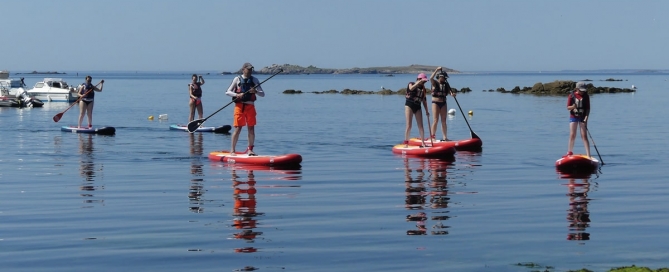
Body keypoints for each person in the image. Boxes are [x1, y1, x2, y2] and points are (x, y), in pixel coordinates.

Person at [225, 63, 265, 155]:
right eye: (248, 69)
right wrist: (237, 95)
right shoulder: (237, 79)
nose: (250, 71)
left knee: (251, 128)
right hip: (239, 107)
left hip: (250, 107)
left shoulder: (255, 80)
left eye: (251, 69)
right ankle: (232, 150)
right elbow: (227, 92)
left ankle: (250, 150)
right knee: (238, 128)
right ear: (243, 69)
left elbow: (262, 94)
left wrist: (255, 91)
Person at [429, 67, 456, 141]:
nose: (445, 79)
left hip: (443, 103)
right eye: (444, 78)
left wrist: (452, 94)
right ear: (440, 77)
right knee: (435, 120)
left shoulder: (446, 84)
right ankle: (432, 137)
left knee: (444, 121)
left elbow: (450, 92)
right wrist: (436, 70)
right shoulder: (435, 83)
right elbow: (431, 78)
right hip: (436, 103)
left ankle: (445, 137)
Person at [404, 73, 430, 147]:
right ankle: (406, 143)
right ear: (419, 80)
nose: (424, 83)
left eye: (425, 82)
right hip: (409, 105)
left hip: (418, 106)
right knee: (409, 125)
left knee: (421, 126)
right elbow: (411, 88)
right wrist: (417, 83)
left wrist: (427, 111)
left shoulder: (423, 89)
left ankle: (423, 143)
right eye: (423, 81)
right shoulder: (411, 84)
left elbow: (424, 101)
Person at [566, 81, 591, 157]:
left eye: (584, 91)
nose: (583, 92)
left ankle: (588, 154)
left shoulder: (586, 96)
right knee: (572, 134)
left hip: (583, 117)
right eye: (581, 90)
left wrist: (586, 118)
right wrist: (573, 107)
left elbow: (588, 108)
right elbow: (568, 107)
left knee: (584, 136)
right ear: (577, 89)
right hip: (573, 117)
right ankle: (569, 152)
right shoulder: (571, 96)